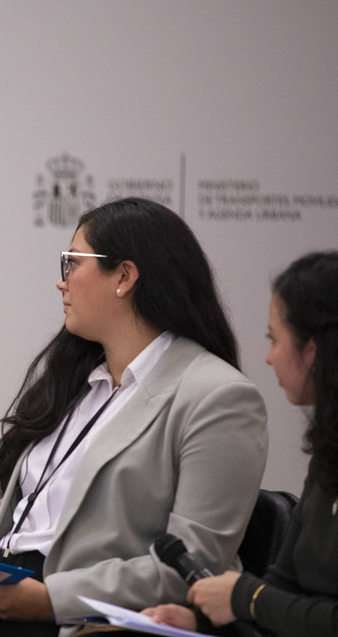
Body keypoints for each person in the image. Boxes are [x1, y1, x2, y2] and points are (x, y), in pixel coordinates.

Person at [0, 197, 268, 637]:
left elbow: (193, 565)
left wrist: (51, 600)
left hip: (81, 618)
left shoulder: (217, 396)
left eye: (71, 263)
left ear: (124, 276)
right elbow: (7, 508)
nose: (60, 283)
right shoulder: (77, 381)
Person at [144, 251, 338, 637]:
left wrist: (245, 596)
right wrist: (199, 618)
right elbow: (283, 586)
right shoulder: (328, 453)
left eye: (273, 339)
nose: (267, 358)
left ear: (312, 350)